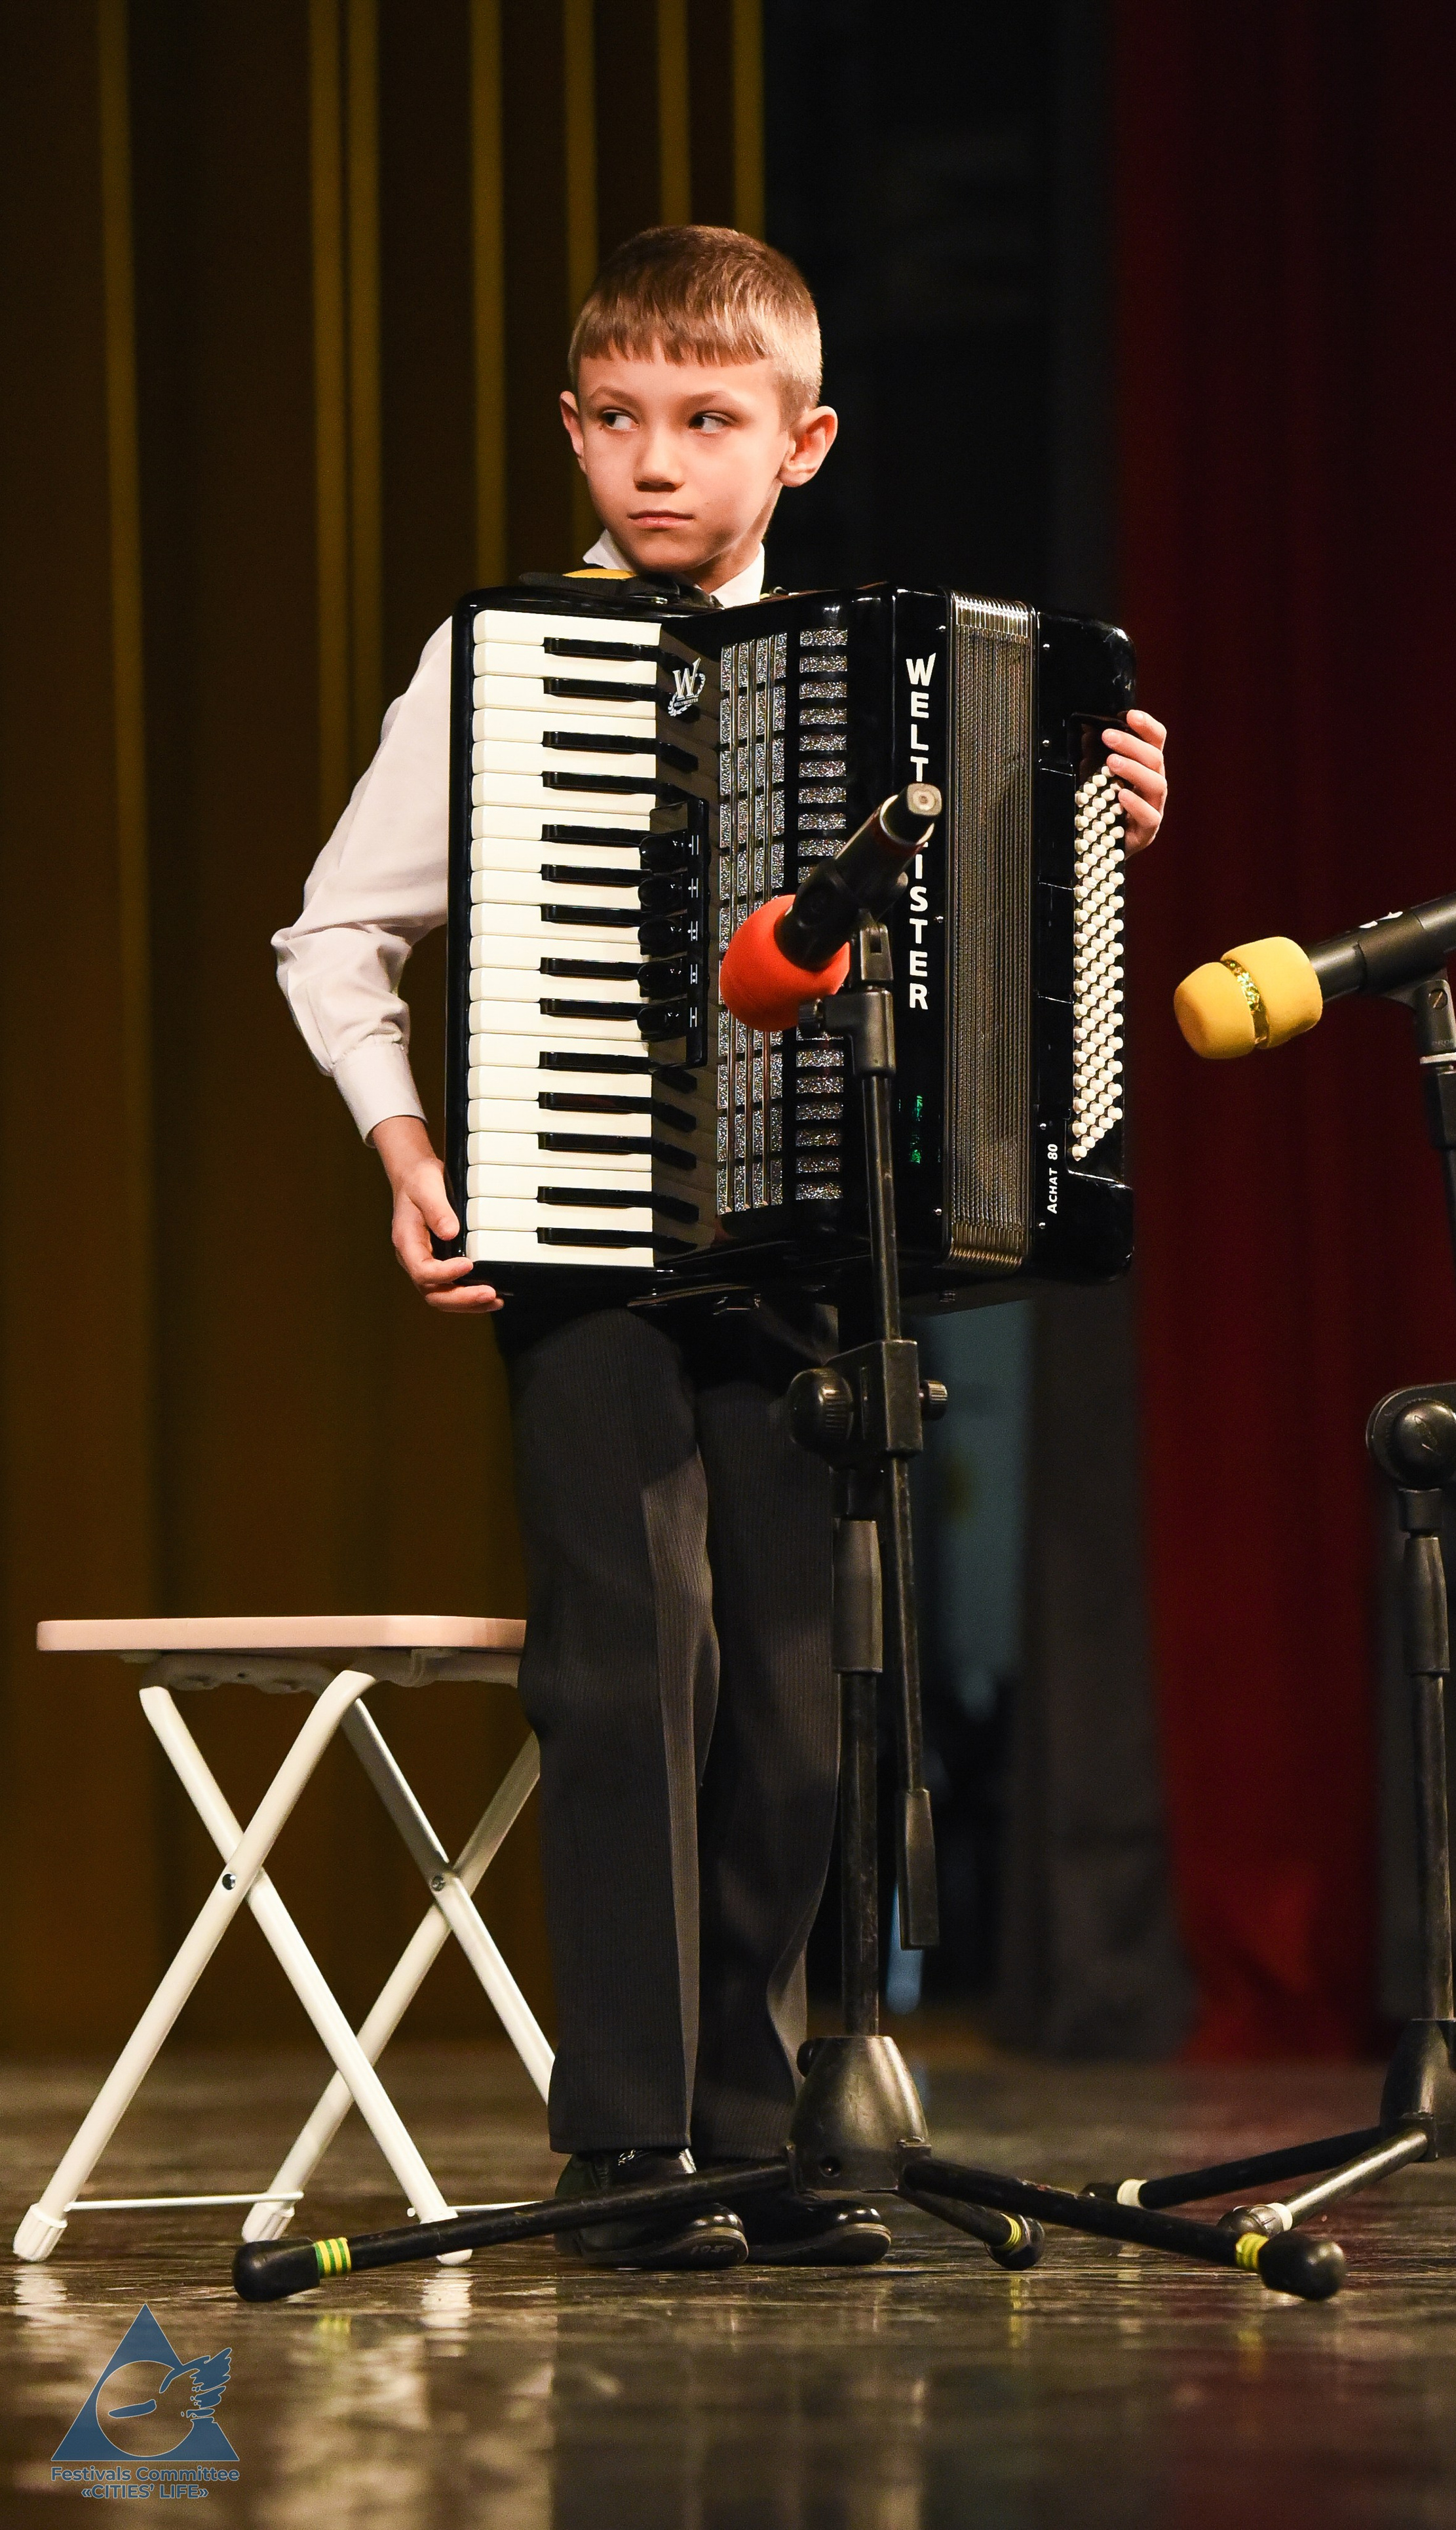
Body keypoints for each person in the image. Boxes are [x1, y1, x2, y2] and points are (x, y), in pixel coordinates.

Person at [274, 224, 1169, 2269]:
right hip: (582, 1241)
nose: (656, 464)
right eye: (618, 423)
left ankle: (758, 2126)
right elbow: (336, 930)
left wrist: (1094, 840)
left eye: (707, 423)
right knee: (628, 1666)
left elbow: (1000, 960)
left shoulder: (900, 678)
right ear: (572, 431)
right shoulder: (499, 663)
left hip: (811, 1254)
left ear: (804, 440)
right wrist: (407, 1143)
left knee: (797, 1690)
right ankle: (625, 2143)